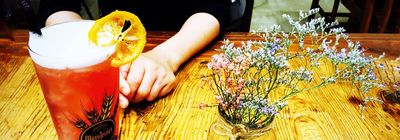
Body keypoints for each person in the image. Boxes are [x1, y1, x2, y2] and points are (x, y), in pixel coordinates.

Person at [38, 0, 246, 108]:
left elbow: (214, 8)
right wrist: (95, 54)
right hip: (113, 41)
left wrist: (164, 57)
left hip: (189, 43)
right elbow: (57, 7)